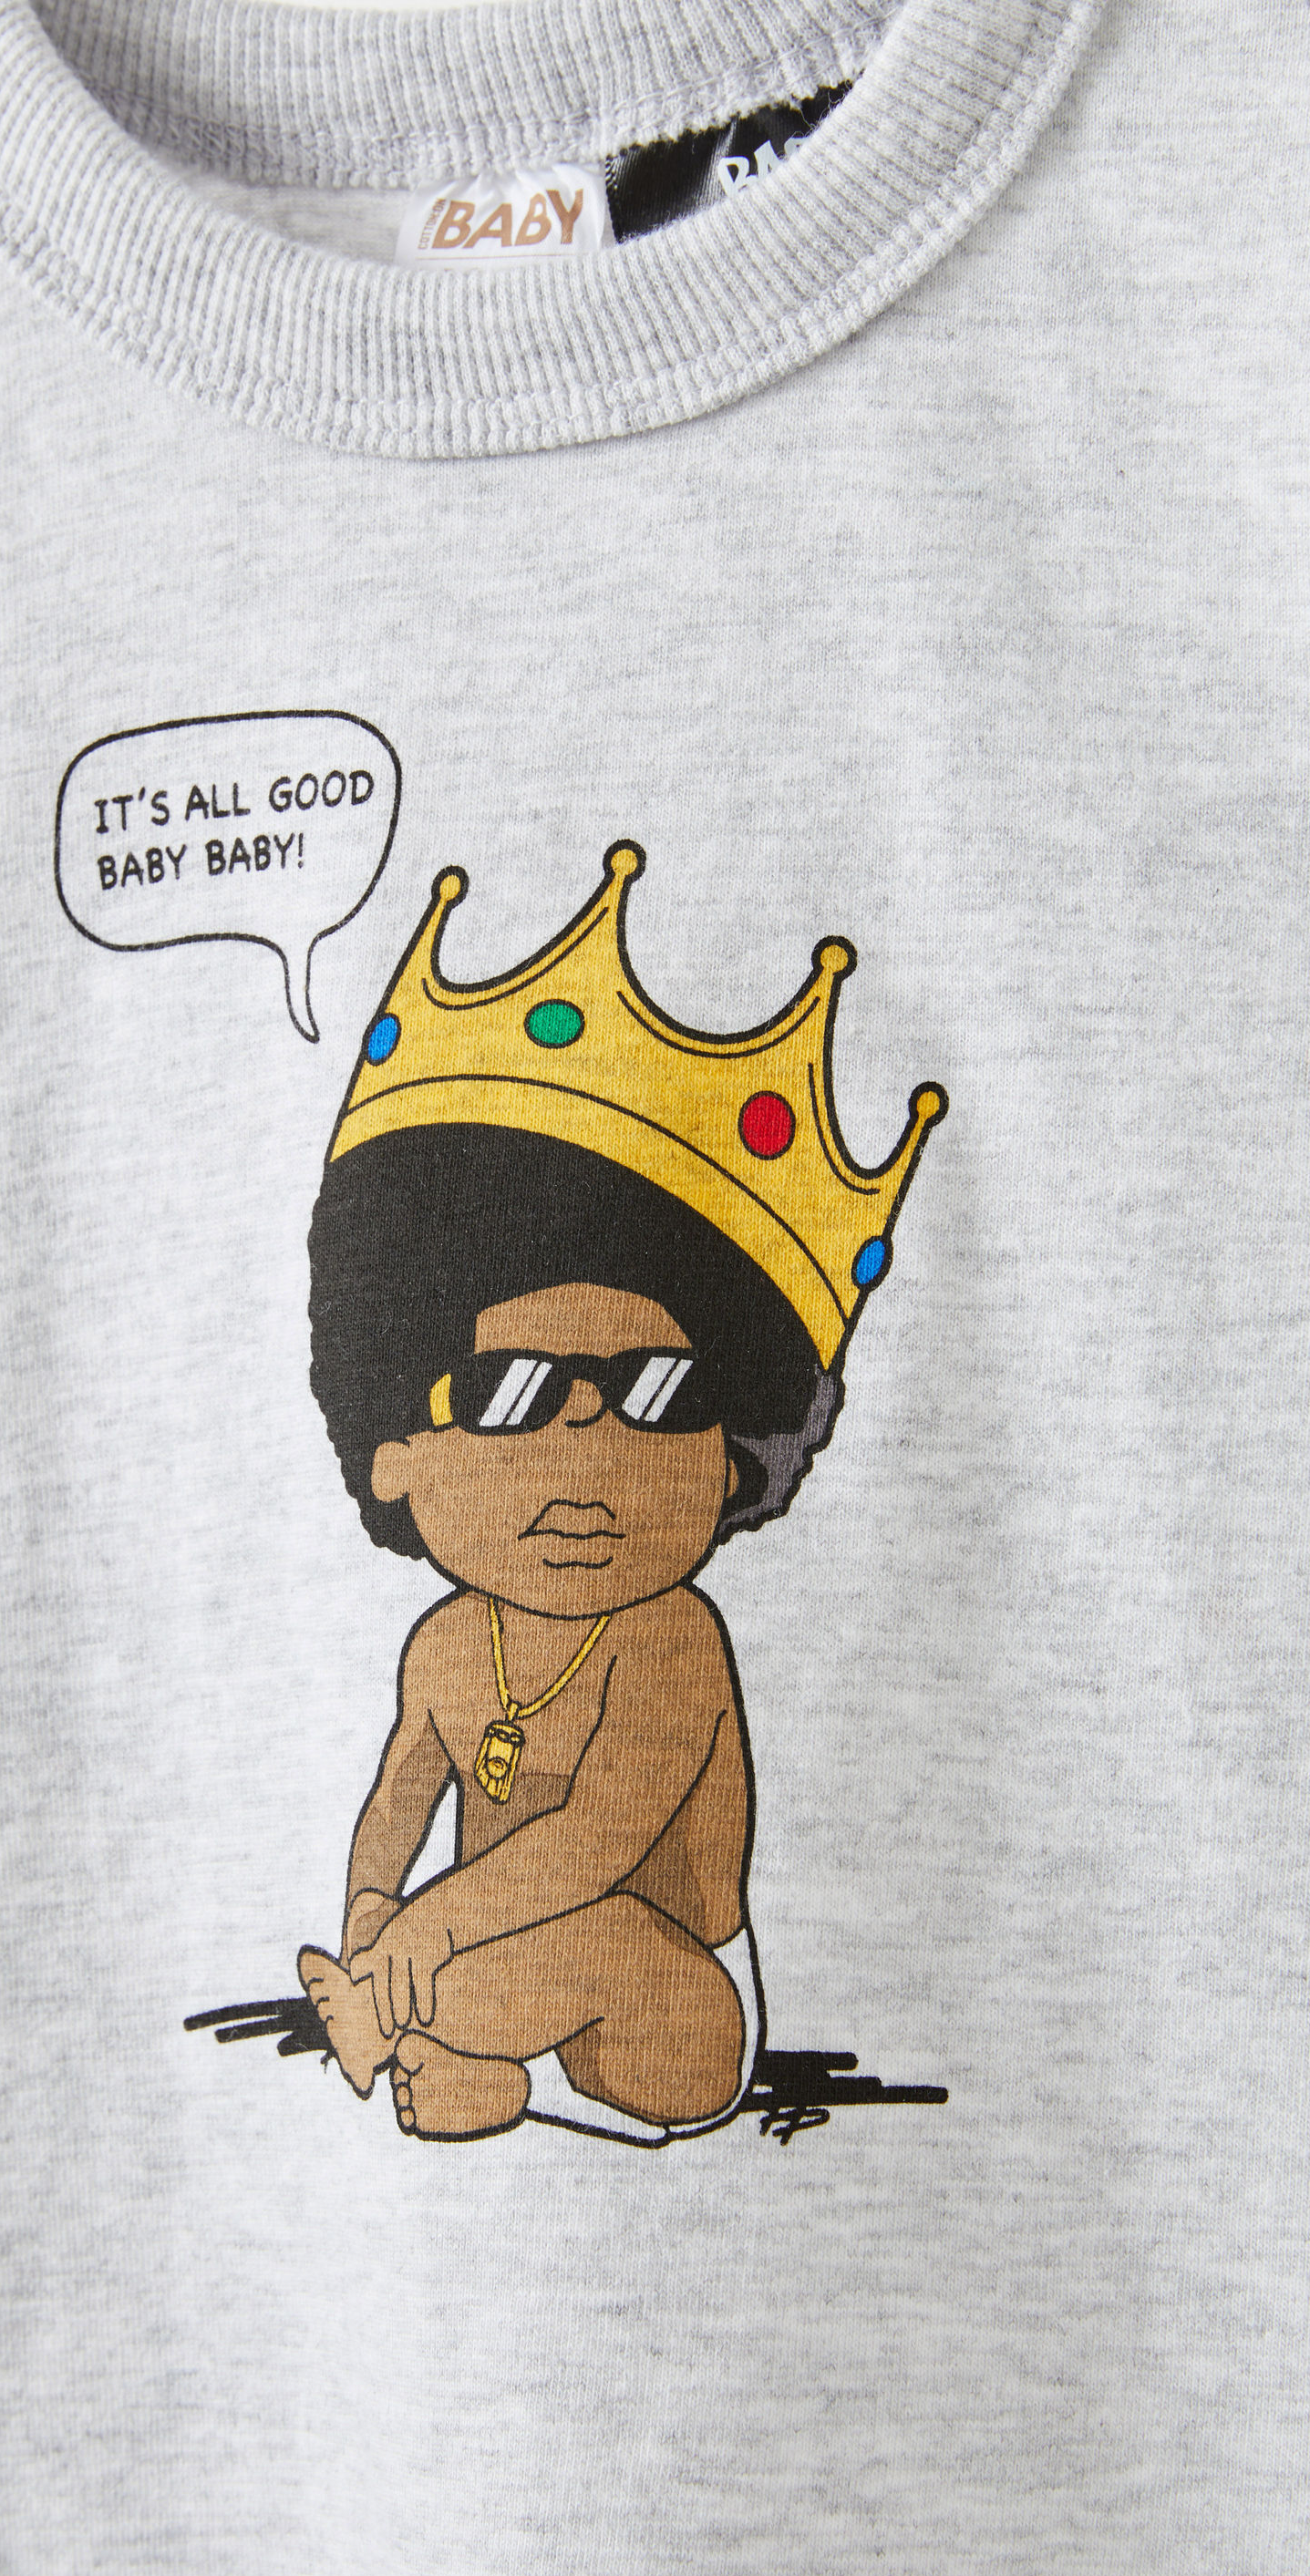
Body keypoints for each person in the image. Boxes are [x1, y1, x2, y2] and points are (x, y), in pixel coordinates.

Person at [295, 846, 944, 2140]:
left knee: (587, 1938)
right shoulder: (444, 1647)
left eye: (659, 1392)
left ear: (731, 1456)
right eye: (512, 1393)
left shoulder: (669, 1638)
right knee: (501, 1967)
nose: (588, 1442)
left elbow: (597, 1839)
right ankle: (478, 2066)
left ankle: (438, 2034)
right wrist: (372, 1914)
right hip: (494, 1965)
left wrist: (421, 1937)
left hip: (677, 2008)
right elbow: (398, 1802)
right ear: (397, 1455)